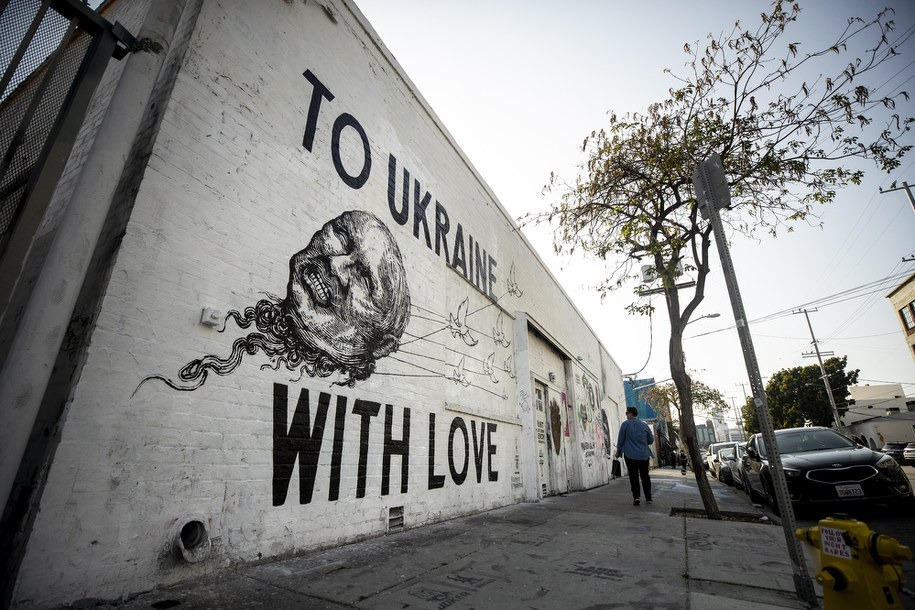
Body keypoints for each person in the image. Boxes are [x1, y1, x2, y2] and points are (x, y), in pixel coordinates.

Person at [615, 407, 654, 505]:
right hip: (644, 455)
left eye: (626, 413)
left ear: (630, 413)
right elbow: (651, 439)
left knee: (633, 477)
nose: (626, 415)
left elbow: (621, 440)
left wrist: (618, 451)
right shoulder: (644, 425)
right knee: (645, 476)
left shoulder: (625, 424)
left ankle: (636, 497)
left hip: (630, 455)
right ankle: (648, 497)